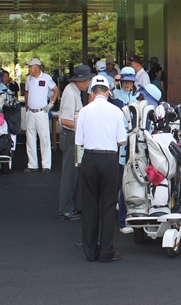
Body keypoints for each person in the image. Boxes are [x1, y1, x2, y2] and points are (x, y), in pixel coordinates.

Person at [75, 75, 127, 263]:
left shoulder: (84, 111)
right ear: (107, 92)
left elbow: (79, 141)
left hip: (89, 158)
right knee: (108, 206)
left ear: (91, 93)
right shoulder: (116, 111)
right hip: (109, 160)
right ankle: (106, 251)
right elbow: (121, 140)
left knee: (89, 206)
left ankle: (90, 251)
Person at [58, 65, 93, 221]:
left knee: (76, 173)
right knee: (69, 174)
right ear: (80, 80)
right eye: (87, 80)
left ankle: (75, 206)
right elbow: (64, 120)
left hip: (74, 136)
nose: (88, 83)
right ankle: (66, 209)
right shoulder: (71, 94)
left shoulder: (75, 91)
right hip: (70, 135)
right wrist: (83, 126)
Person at [24, 57, 59, 173]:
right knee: (30, 138)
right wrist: (27, 105)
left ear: (37, 68)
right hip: (31, 112)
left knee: (44, 138)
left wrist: (51, 104)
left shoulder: (46, 78)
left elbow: (56, 90)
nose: (29, 69)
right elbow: (27, 92)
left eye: (31, 67)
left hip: (41, 112)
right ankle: (32, 164)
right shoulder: (28, 79)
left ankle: (46, 165)